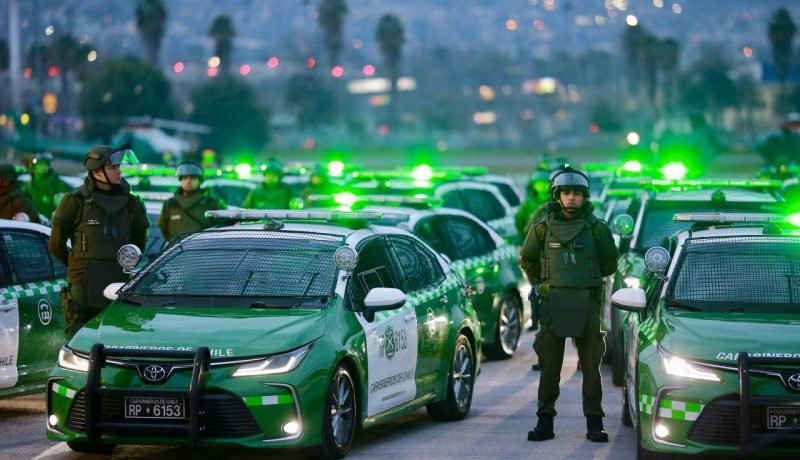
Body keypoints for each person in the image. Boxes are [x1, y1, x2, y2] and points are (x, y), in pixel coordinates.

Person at [519, 166, 619, 443]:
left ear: (584, 196)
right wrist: (542, 284)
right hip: (553, 304)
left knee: (591, 367)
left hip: (587, 303)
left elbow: (610, 261)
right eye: (566, 193)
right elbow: (527, 259)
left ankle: (594, 423)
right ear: (557, 196)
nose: (571, 198)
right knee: (550, 367)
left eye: (577, 193)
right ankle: (545, 422)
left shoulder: (597, 229)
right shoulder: (541, 229)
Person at [49, 145, 150, 338]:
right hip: (82, 286)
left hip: (119, 283)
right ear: (97, 171)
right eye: (113, 167)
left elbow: (138, 245)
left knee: (118, 340)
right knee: (79, 340)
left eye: (119, 166)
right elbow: (55, 244)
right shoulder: (74, 201)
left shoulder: (132, 203)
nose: (119, 171)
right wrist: (76, 266)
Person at [158, 161, 226, 242]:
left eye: (193, 178)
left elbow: (224, 229)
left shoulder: (213, 203)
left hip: (206, 251)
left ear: (200, 181)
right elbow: (163, 228)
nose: (188, 181)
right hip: (177, 251)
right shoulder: (170, 204)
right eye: (185, 178)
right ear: (180, 180)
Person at [24, 152, 72, 219]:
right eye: (40, 164)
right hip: (30, 225)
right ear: (34, 167)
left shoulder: (58, 184)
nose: (43, 167)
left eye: (46, 164)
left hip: (49, 226)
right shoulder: (26, 185)